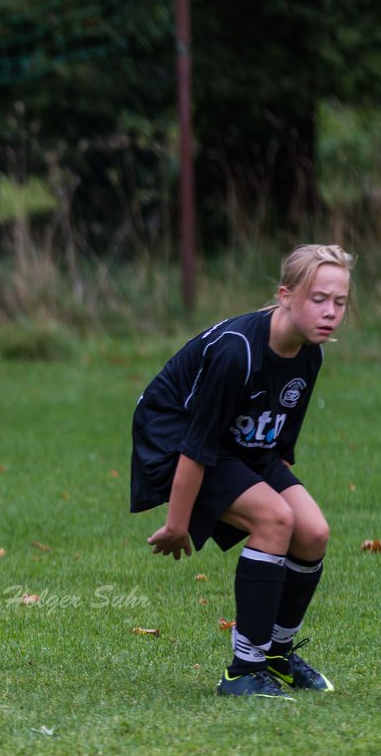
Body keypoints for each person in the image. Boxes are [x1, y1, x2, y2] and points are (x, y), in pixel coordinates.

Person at [131, 243, 353, 699]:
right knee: (275, 520)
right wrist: (177, 523)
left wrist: (277, 490)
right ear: (285, 295)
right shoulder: (238, 352)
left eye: (340, 302)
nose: (330, 312)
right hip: (176, 441)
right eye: (318, 299)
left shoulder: (311, 353)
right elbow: (196, 446)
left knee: (311, 530)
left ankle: (277, 653)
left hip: (240, 444)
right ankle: (242, 671)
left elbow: (279, 445)